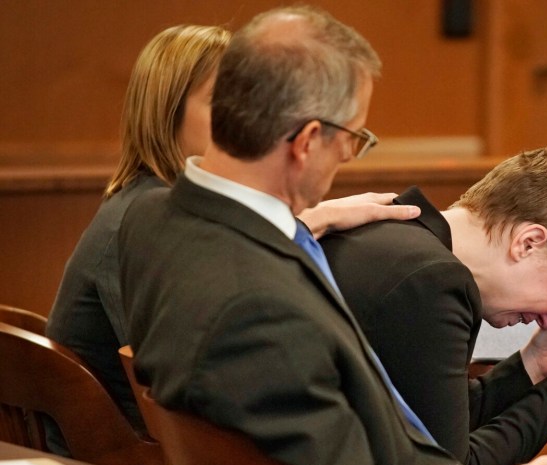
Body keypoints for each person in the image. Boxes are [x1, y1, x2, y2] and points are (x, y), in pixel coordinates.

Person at [119, 6, 547, 465]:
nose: (349, 160)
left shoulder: (157, 225)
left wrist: (298, 228)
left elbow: (397, 433)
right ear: (309, 141)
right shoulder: (261, 299)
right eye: (353, 138)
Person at [45, 24, 419, 439]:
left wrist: (313, 219)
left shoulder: (154, 203)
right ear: (167, 112)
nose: (244, 120)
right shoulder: (139, 220)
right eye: (223, 103)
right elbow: (168, 383)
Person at [319, 145, 547, 465]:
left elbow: (437, 424)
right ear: (528, 243)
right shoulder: (434, 279)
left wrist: (537, 363)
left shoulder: (390, 239)